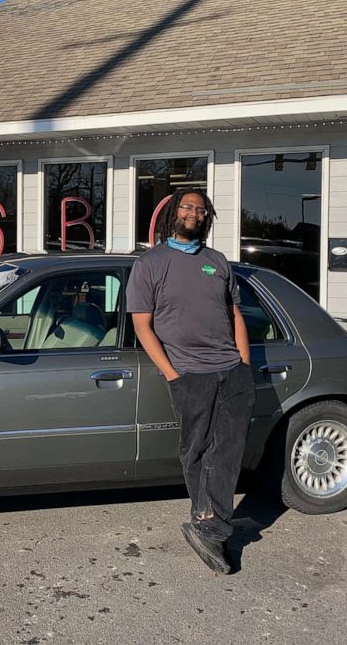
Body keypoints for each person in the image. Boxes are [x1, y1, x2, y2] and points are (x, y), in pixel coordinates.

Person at [126, 187, 254, 575]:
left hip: (231, 370)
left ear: (207, 217)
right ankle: (205, 517)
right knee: (196, 450)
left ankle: (211, 526)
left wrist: (244, 364)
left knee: (227, 451)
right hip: (189, 373)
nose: (194, 213)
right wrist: (173, 374)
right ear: (173, 213)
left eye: (200, 209)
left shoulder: (218, 262)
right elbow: (141, 325)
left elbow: (235, 316)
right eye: (187, 206)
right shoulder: (150, 263)